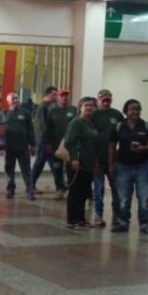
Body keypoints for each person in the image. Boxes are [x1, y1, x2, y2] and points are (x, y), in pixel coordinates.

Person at [110, 99, 148, 235]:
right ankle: (124, 222)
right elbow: (112, 146)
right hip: (123, 166)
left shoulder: (146, 125)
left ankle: (144, 224)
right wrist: (111, 165)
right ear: (126, 112)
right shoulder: (119, 126)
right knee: (124, 197)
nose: (135, 112)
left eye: (138, 109)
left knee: (144, 197)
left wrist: (144, 147)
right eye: (132, 109)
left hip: (142, 166)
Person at [64, 97, 100, 230]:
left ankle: (81, 219)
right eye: (86, 105)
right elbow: (69, 142)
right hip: (77, 164)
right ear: (80, 108)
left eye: (91, 106)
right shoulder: (76, 123)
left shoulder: (89, 123)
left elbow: (93, 144)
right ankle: (72, 220)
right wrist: (74, 158)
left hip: (88, 165)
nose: (89, 108)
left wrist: (95, 161)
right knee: (75, 193)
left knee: (84, 193)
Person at [91, 89, 124, 227]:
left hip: (113, 159)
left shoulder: (117, 115)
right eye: (103, 99)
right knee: (98, 189)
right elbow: (89, 139)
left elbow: (123, 134)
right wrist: (93, 159)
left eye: (108, 99)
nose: (106, 102)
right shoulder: (93, 115)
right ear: (98, 100)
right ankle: (98, 215)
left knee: (116, 189)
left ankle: (116, 215)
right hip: (97, 158)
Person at [0, 92, 35, 200]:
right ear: (8, 101)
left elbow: (31, 130)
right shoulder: (3, 114)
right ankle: (10, 191)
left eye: (17, 98)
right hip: (9, 148)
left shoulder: (26, 113)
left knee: (26, 171)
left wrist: (33, 145)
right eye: (13, 99)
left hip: (23, 148)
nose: (16, 100)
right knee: (9, 171)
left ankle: (30, 191)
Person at [47, 89, 77, 199]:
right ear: (58, 98)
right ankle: (60, 189)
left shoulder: (74, 110)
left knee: (71, 168)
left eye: (66, 96)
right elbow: (48, 128)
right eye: (62, 96)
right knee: (57, 168)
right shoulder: (52, 111)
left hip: (70, 144)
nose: (64, 98)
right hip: (56, 144)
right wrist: (48, 143)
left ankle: (72, 189)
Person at [31, 86, 58, 194]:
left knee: (55, 164)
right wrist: (46, 143)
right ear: (47, 95)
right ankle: (31, 185)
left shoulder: (53, 106)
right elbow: (42, 126)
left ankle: (60, 186)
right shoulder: (42, 107)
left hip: (51, 141)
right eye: (54, 95)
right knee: (39, 163)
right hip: (43, 142)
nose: (56, 97)